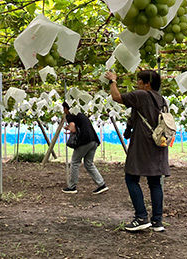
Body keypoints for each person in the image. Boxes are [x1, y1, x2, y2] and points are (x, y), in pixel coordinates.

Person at [105, 70, 168, 232]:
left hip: (143, 143)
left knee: (131, 178)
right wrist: (128, 129)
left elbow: (117, 97)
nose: (137, 84)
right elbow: (136, 116)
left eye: (139, 81)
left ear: (147, 84)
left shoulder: (142, 95)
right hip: (159, 143)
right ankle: (157, 221)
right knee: (155, 182)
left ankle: (141, 217)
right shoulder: (162, 100)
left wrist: (113, 81)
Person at [61, 102, 108, 195]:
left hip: (84, 141)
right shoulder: (80, 114)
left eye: (64, 109)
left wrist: (68, 128)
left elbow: (73, 129)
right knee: (88, 163)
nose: (64, 111)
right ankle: (101, 184)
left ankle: (72, 187)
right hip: (94, 140)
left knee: (75, 162)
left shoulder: (70, 115)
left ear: (66, 108)